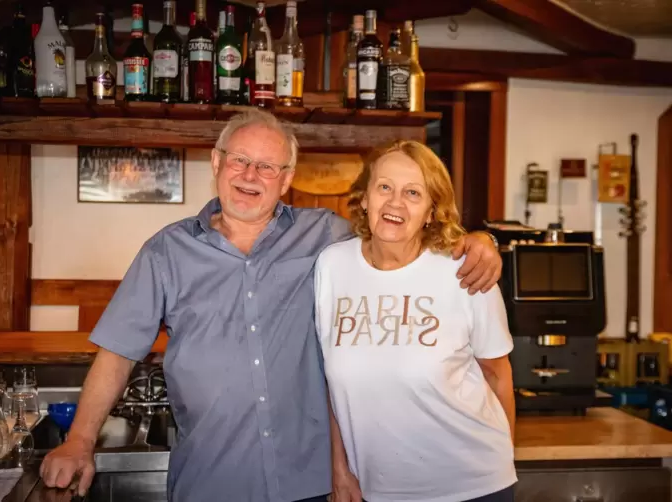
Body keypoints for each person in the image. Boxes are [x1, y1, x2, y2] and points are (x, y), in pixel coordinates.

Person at [39, 109, 504, 502]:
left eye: (267, 167)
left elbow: (396, 229)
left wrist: (476, 241)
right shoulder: (166, 252)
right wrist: (79, 441)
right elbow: (118, 352)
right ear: (217, 162)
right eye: (240, 160)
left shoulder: (327, 236)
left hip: (312, 482)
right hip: (211, 480)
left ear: (286, 180)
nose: (250, 176)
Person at [315, 140, 516, 502]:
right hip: (377, 490)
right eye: (384, 187)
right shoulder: (332, 266)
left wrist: (503, 464)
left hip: (472, 486)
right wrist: (340, 470)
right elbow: (334, 383)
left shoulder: (465, 269)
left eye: (413, 192)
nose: (395, 203)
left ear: (430, 211)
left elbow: (497, 374)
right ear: (364, 198)